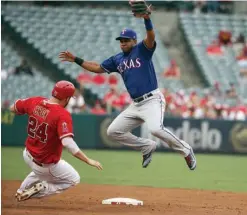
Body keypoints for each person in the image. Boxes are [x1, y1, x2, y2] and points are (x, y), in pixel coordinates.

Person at [59, 3, 196, 170]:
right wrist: (76, 59)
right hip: (136, 104)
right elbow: (96, 68)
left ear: (134, 41)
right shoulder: (117, 59)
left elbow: (151, 38)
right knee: (113, 131)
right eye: (121, 40)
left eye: (126, 40)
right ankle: (146, 146)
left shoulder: (142, 50)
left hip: (152, 100)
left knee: (156, 129)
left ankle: (186, 150)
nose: (122, 43)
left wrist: (147, 19)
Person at [9, 80, 103, 202]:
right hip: (45, 164)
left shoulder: (35, 101)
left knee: (42, 171)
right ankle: (42, 189)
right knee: (74, 179)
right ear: (67, 98)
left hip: (27, 154)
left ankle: (21, 190)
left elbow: (13, 108)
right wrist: (88, 160)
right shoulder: (62, 114)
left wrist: (34, 113)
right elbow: (68, 143)